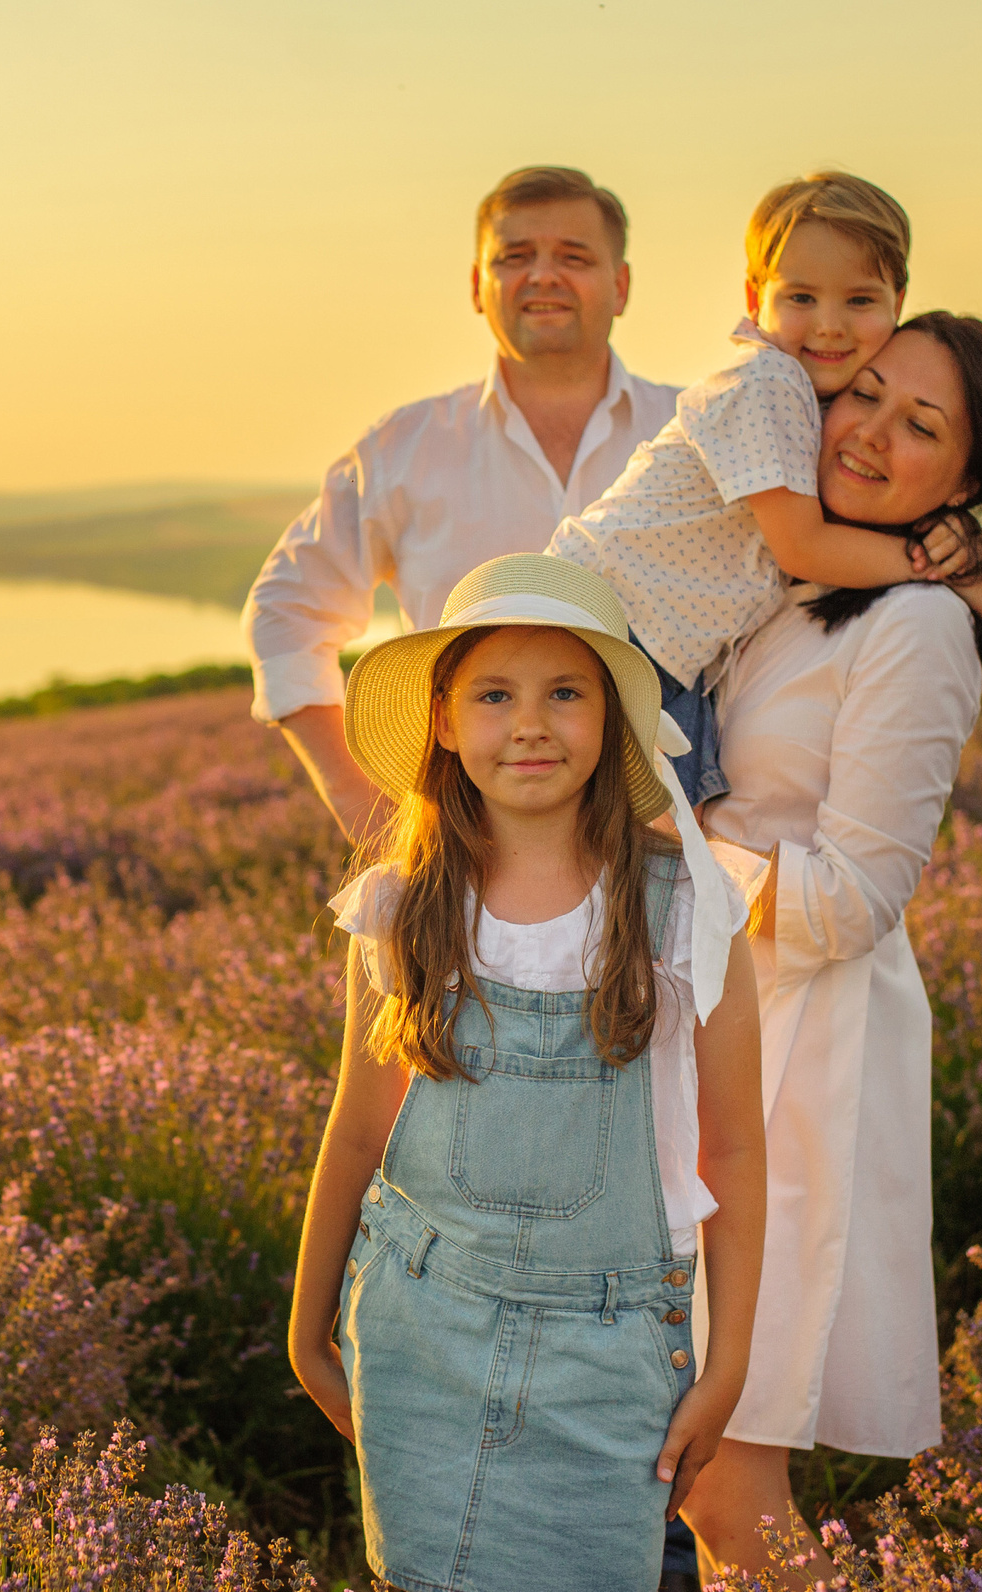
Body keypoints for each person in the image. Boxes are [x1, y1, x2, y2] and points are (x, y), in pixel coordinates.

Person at [285, 553, 768, 1591]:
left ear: (609, 721)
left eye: (565, 693)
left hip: (608, 1345)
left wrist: (728, 1368)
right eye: (494, 695)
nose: (532, 724)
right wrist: (306, 1326)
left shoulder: (684, 906)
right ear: (446, 722)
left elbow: (731, 1143)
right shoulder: (402, 902)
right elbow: (360, 1125)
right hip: (418, 1318)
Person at [675, 313, 982, 1583]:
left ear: (968, 482)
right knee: (697, 1478)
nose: (871, 433)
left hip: (800, 1063)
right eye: (868, 394)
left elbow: (849, 900)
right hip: (718, 1037)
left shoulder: (918, 627)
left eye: (922, 427)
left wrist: (659, 849)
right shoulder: (812, 586)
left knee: (728, 1487)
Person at [244, 166, 682, 843]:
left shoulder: (695, 435)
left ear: (620, 286)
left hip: (670, 850)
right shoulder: (402, 450)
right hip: (467, 858)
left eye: (574, 256)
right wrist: (366, 812)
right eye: (514, 257)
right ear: (478, 287)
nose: (542, 276)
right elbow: (286, 611)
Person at [548, 173, 982, 807]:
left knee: (640, 848)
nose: (829, 326)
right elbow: (803, 547)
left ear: (899, 299)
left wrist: (939, 533)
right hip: (611, 624)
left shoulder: (820, 398)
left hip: (663, 653)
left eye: (859, 301)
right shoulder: (768, 381)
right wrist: (938, 568)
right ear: (757, 297)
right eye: (802, 298)